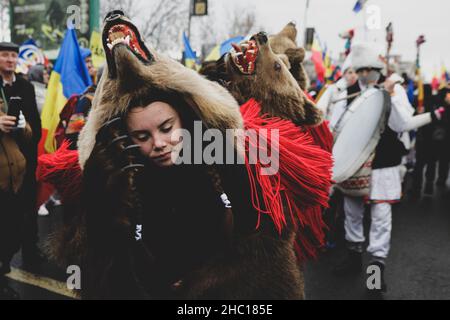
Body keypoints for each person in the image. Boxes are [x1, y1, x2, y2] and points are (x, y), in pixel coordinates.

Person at [332, 43, 444, 296]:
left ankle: (375, 272)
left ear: (377, 69)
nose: (363, 74)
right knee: (352, 212)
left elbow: (402, 123)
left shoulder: (395, 90)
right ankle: (353, 257)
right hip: (355, 164)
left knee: (381, 217)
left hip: (384, 162)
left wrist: (388, 96)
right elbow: (336, 125)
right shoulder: (347, 90)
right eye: (359, 69)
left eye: (368, 70)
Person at [0, 41, 41, 299]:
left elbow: (34, 131)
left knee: (18, 223)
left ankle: (17, 255)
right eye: (4, 55)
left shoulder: (25, 86)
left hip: (23, 168)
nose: (10, 59)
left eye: (13, 55)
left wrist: (24, 127)